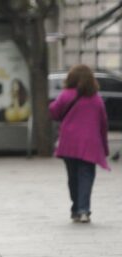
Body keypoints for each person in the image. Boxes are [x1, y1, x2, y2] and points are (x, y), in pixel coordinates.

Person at [49, 64, 110, 223]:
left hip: (69, 143)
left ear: (71, 78)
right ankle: (83, 210)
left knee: (73, 178)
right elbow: (103, 124)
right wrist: (104, 147)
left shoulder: (65, 95)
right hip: (90, 145)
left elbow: (54, 112)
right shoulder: (96, 99)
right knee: (86, 177)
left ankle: (77, 208)